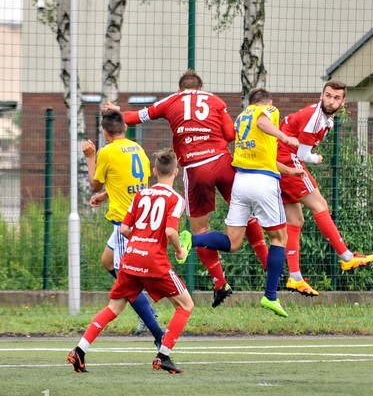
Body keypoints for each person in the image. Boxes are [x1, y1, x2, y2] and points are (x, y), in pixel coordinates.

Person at [104, 70, 268, 308]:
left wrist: (116, 112)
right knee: (247, 213)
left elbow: (137, 117)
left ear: (181, 89)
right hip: (223, 163)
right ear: (200, 89)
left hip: (196, 169)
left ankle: (220, 282)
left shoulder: (172, 101)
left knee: (199, 228)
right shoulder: (215, 100)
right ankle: (268, 265)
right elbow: (231, 134)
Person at [67, 148, 194, 374]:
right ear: (175, 172)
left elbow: (125, 228)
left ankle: (79, 350)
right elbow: (171, 232)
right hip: (154, 260)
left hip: (130, 257)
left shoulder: (141, 195)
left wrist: (139, 240)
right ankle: (163, 355)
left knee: (114, 307)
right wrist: (179, 251)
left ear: (155, 171)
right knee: (186, 305)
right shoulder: (176, 199)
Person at [184, 88, 301, 317]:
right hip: (264, 184)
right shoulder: (266, 111)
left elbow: (264, 155)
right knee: (279, 238)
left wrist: (288, 170)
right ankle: (270, 296)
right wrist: (284, 136)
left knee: (233, 242)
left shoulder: (240, 118)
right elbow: (263, 122)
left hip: (241, 182)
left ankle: (192, 239)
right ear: (268, 102)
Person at [277, 80, 373, 297]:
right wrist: (316, 158)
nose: (331, 101)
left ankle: (295, 277)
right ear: (321, 95)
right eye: (328, 96)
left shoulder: (325, 120)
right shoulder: (314, 118)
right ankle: (347, 258)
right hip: (286, 159)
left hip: (280, 160)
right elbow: (304, 155)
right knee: (320, 205)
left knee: (295, 221)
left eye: (336, 98)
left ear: (343, 102)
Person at [81, 110, 164, 347]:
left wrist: (90, 156)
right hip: (140, 218)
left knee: (126, 284)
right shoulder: (137, 148)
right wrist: (107, 194)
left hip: (125, 225)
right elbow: (136, 183)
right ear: (125, 129)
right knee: (107, 262)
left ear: (104, 132)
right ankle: (145, 307)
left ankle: (156, 331)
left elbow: (94, 182)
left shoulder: (106, 152)